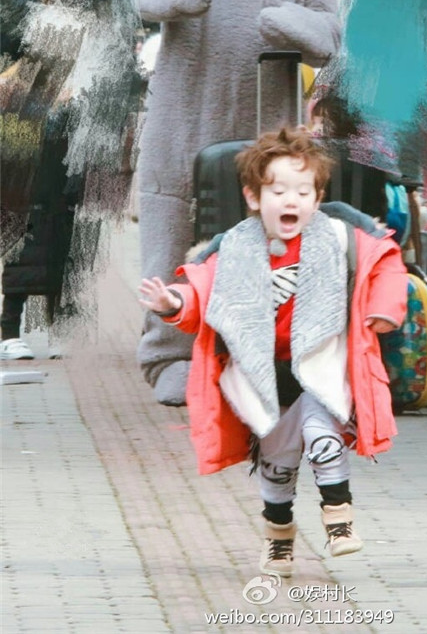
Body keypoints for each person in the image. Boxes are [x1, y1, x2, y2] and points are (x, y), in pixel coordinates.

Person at [139, 127, 407, 577]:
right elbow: (203, 291)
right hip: (262, 374)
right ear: (253, 197)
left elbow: (385, 262)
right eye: (278, 191)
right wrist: (172, 303)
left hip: (321, 365)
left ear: (317, 198)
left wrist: (383, 309)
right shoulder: (235, 247)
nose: (291, 201)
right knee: (276, 466)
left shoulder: (339, 237)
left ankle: (339, 518)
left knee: (323, 439)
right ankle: (279, 537)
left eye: (303, 191)